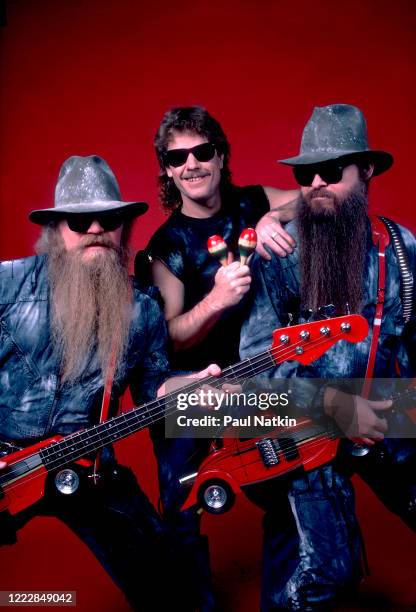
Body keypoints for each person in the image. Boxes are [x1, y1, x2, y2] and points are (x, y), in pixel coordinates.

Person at [0, 155, 218, 611]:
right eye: (80, 221)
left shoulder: (141, 309)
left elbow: (154, 386)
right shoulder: (8, 285)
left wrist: (191, 388)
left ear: (123, 227)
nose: (96, 228)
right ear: (57, 230)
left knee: (175, 589)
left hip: (87, 467)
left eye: (109, 218)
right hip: (5, 463)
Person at [240, 104, 416, 609]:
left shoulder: (401, 247)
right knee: (327, 576)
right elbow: (256, 367)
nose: (315, 182)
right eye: (304, 173)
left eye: (331, 171)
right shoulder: (278, 253)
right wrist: (331, 406)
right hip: (308, 422)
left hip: (388, 411)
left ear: (367, 172)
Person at [134, 106, 299, 610]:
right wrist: (216, 302)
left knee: (291, 493)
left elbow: (318, 196)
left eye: (202, 151)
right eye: (177, 156)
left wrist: (276, 215)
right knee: (182, 509)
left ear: (221, 156)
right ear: (165, 168)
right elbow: (169, 341)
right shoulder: (168, 246)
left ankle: (284, 602)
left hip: (260, 385)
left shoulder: (252, 201)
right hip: (193, 390)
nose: (192, 164)